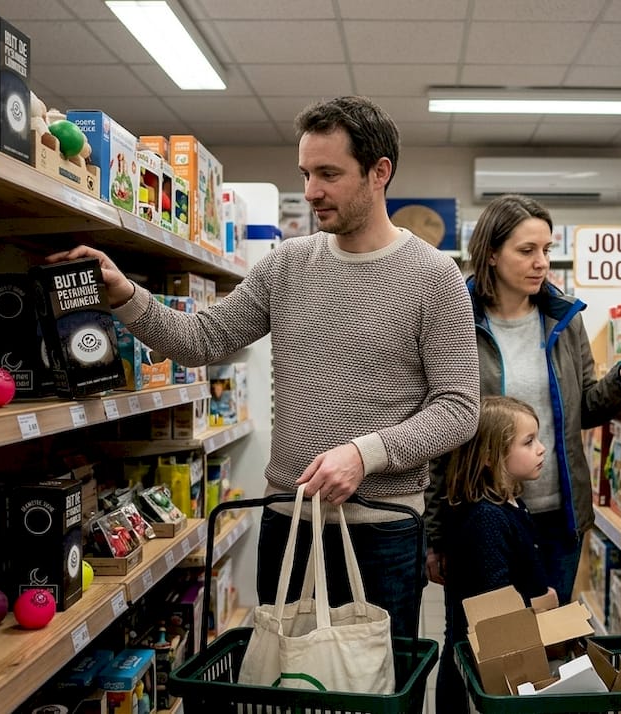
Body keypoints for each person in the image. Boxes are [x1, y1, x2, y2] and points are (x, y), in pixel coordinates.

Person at [48, 96, 480, 641]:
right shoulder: (286, 265)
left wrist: (364, 454)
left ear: (380, 173)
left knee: (375, 687)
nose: (311, 191)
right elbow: (201, 340)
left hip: (382, 531)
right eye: (305, 173)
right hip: (287, 522)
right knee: (283, 684)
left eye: (329, 174)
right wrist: (125, 295)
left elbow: (461, 409)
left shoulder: (433, 276)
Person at [426, 194, 621, 606]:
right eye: (526, 250)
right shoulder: (457, 320)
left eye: (547, 250)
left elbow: (583, 409)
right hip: (483, 516)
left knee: (551, 639)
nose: (541, 263)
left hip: (556, 514)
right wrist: (436, 534)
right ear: (492, 254)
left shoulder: (564, 320)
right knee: (479, 643)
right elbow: (442, 429)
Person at [434, 396, 554, 714]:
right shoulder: (486, 517)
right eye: (528, 442)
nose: (541, 449)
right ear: (490, 456)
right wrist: (536, 608)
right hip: (495, 652)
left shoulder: (511, 502)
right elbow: (495, 595)